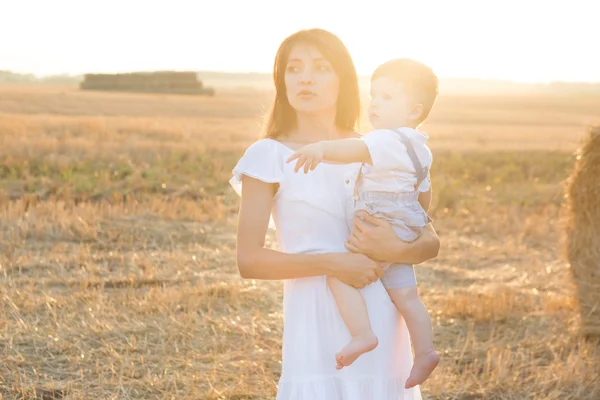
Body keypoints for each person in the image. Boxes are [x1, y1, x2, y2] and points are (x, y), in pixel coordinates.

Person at [229, 28, 440, 399]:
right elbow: (250, 260)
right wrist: (335, 264)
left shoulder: (377, 147)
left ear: (344, 79)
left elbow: (429, 238)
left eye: (320, 67)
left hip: (384, 321)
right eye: (293, 69)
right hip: (315, 326)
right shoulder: (268, 154)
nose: (305, 77)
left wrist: (397, 249)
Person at [286, 58, 440, 388]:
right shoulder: (421, 148)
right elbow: (424, 197)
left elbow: (353, 150)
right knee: (408, 298)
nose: (374, 103)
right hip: (407, 222)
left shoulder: (384, 139)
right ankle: (425, 350)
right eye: (373, 95)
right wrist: (409, 226)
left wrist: (321, 149)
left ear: (413, 110)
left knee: (339, 276)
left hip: (379, 222)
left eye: (386, 97)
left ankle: (362, 334)